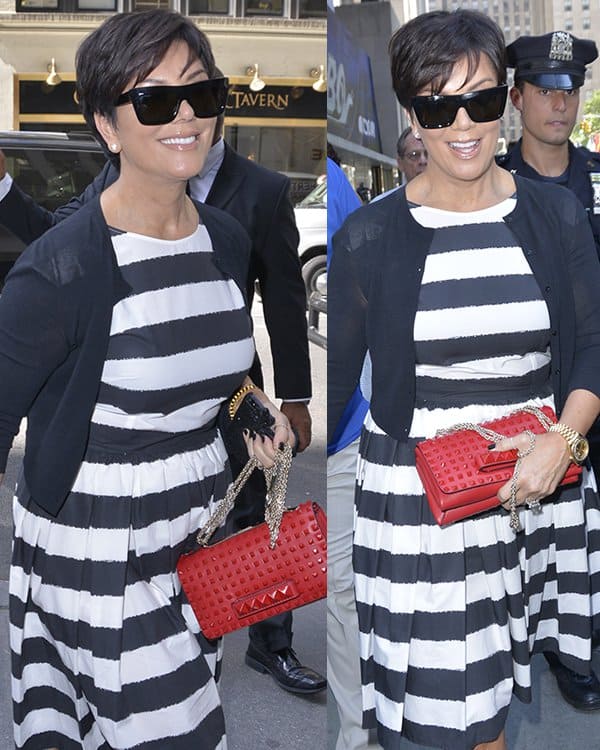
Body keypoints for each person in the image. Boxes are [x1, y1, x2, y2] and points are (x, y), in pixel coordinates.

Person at [0, 10, 297, 748]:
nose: (188, 116)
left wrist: (252, 410)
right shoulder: (62, 268)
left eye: (203, 93)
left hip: (196, 544)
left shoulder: (223, 238)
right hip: (99, 552)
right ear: (107, 124)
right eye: (157, 100)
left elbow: (220, 379)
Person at [328, 9, 600, 750]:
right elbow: (340, 387)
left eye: (479, 100)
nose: (461, 125)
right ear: (412, 115)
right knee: (462, 717)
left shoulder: (558, 216)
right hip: (421, 508)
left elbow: (591, 347)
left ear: (504, 99)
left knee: (491, 714)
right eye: (436, 106)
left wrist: (565, 440)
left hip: (532, 484)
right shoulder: (368, 239)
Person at [498, 30, 600, 712]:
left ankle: (575, 646)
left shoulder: (598, 177)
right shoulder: (491, 178)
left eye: (570, 91)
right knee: (526, 526)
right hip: (524, 389)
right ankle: (525, 640)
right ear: (516, 98)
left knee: (586, 530)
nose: (559, 105)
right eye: (544, 91)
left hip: (592, 376)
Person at [326, 156, 377, 750]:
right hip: (342, 432)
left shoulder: (338, 186)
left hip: (356, 428)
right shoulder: (339, 182)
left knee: (346, 590)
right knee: (343, 591)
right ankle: (357, 731)